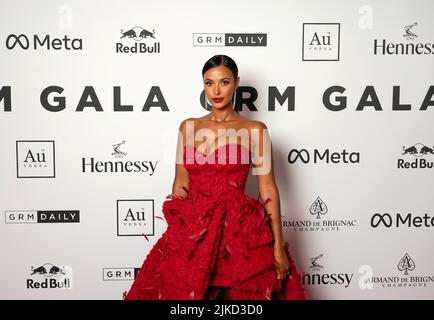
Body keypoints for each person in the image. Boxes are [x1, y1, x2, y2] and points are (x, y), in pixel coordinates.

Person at [123, 54, 305, 300]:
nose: (216, 90)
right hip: (193, 233)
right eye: (209, 83)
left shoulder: (255, 130)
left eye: (224, 82)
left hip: (238, 234)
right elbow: (181, 184)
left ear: (237, 82)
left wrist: (278, 248)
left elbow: (268, 191)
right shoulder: (188, 127)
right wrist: (177, 237)